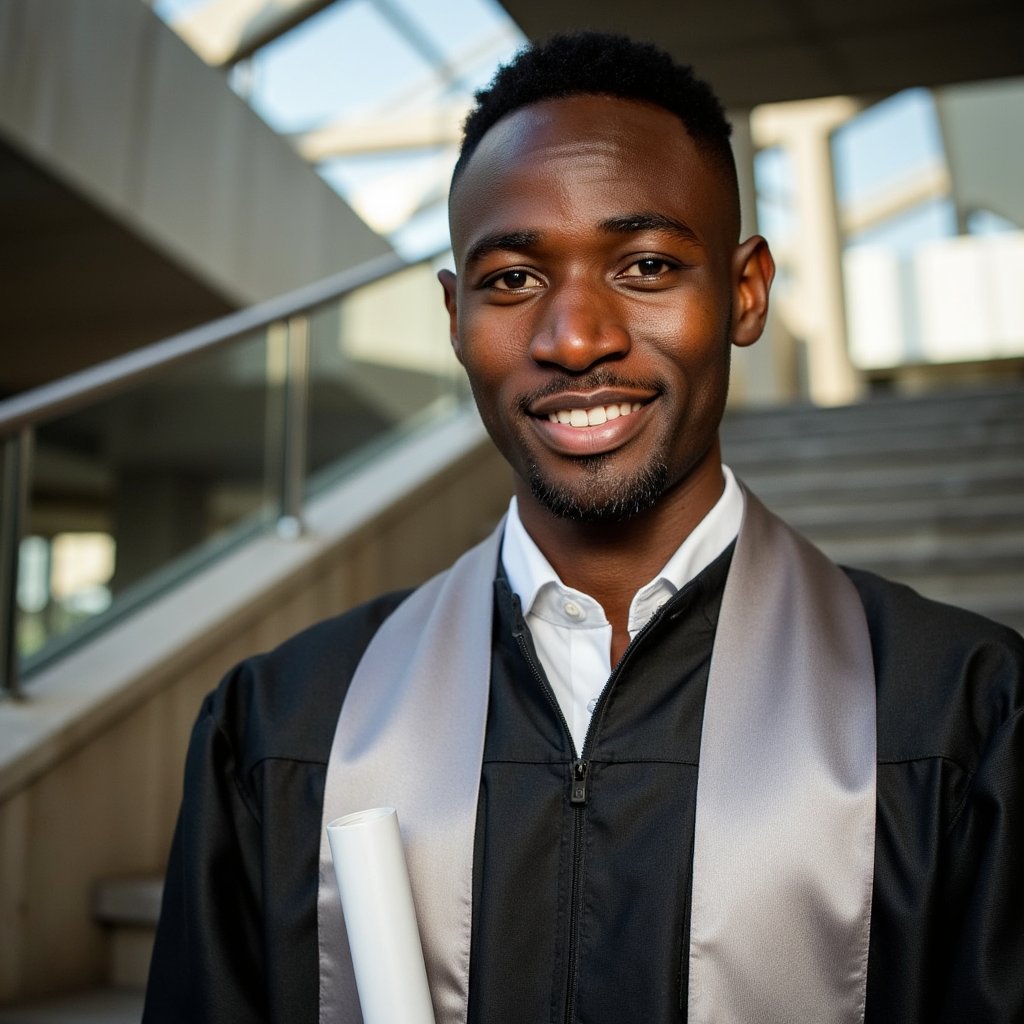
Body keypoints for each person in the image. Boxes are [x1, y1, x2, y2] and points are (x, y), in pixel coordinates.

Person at [144, 32, 1024, 1024]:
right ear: (453, 314)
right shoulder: (286, 724)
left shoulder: (960, 716)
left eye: (644, 265)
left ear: (744, 293)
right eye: (513, 279)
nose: (574, 338)